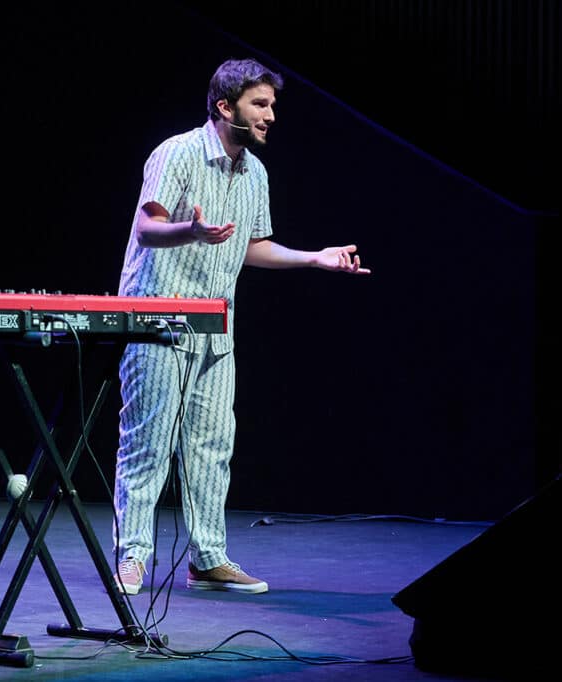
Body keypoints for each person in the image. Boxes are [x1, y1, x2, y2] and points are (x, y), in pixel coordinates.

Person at [113, 57, 370, 596]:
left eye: (272, 105)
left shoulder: (255, 172)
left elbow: (252, 246)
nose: (270, 115)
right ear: (225, 106)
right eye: (260, 104)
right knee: (148, 443)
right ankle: (132, 555)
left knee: (211, 446)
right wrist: (191, 231)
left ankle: (208, 559)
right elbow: (146, 228)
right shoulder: (178, 152)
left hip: (216, 328)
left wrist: (314, 258)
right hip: (157, 323)